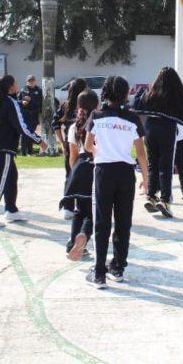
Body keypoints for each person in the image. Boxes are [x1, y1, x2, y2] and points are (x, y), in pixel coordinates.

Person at [84, 76, 149, 288]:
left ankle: (99, 272)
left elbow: (87, 145)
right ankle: (118, 267)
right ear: (125, 93)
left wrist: (100, 150)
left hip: (104, 171)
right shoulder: (132, 119)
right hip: (125, 173)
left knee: (102, 221)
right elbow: (141, 153)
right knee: (123, 221)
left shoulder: (96, 115)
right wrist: (146, 180)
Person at [0, 75, 47, 227]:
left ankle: (11, 210)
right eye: (15, 83)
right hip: (1, 147)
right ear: (11, 86)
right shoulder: (10, 102)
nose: (17, 85)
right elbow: (21, 126)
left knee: (11, 176)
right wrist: (39, 141)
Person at [134, 67, 183, 218]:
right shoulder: (175, 95)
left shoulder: (152, 92)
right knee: (166, 164)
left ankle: (151, 195)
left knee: (152, 163)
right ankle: (165, 199)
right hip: (167, 128)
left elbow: (139, 103)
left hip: (150, 127)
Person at [60, 89, 99, 261]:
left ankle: (71, 244)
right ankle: (83, 235)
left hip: (78, 168)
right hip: (94, 168)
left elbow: (73, 156)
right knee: (92, 212)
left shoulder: (73, 127)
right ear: (96, 105)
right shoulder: (99, 124)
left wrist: (72, 176)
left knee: (78, 210)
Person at [54, 77, 87, 220]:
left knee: (70, 175)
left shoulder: (65, 106)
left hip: (70, 144)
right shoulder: (85, 107)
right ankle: (74, 207)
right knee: (81, 176)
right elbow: (55, 123)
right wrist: (62, 143)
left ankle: (69, 207)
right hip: (82, 146)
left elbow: (54, 124)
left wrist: (62, 142)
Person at [18, 75, 43, 156]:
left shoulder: (39, 90)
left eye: (32, 80)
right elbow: (18, 101)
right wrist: (22, 102)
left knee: (31, 133)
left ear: (35, 81)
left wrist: (31, 100)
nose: (31, 82)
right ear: (27, 82)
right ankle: (23, 152)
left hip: (34, 115)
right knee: (25, 133)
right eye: (29, 80)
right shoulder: (23, 90)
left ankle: (29, 151)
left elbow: (41, 103)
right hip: (25, 115)